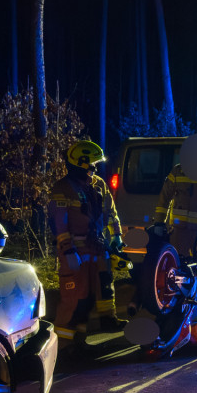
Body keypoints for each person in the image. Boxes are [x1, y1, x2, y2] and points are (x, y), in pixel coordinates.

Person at [49, 140, 127, 348]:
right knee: (75, 298)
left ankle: (101, 324)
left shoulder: (98, 184)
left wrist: (116, 235)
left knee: (102, 288)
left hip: (97, 247)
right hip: (75, 250)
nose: (96, 166)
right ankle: (63, 344)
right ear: (82, 162)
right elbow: (59, 223)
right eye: (93, 162)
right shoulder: (63, 188)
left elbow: (111, 212)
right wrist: (68, 251)